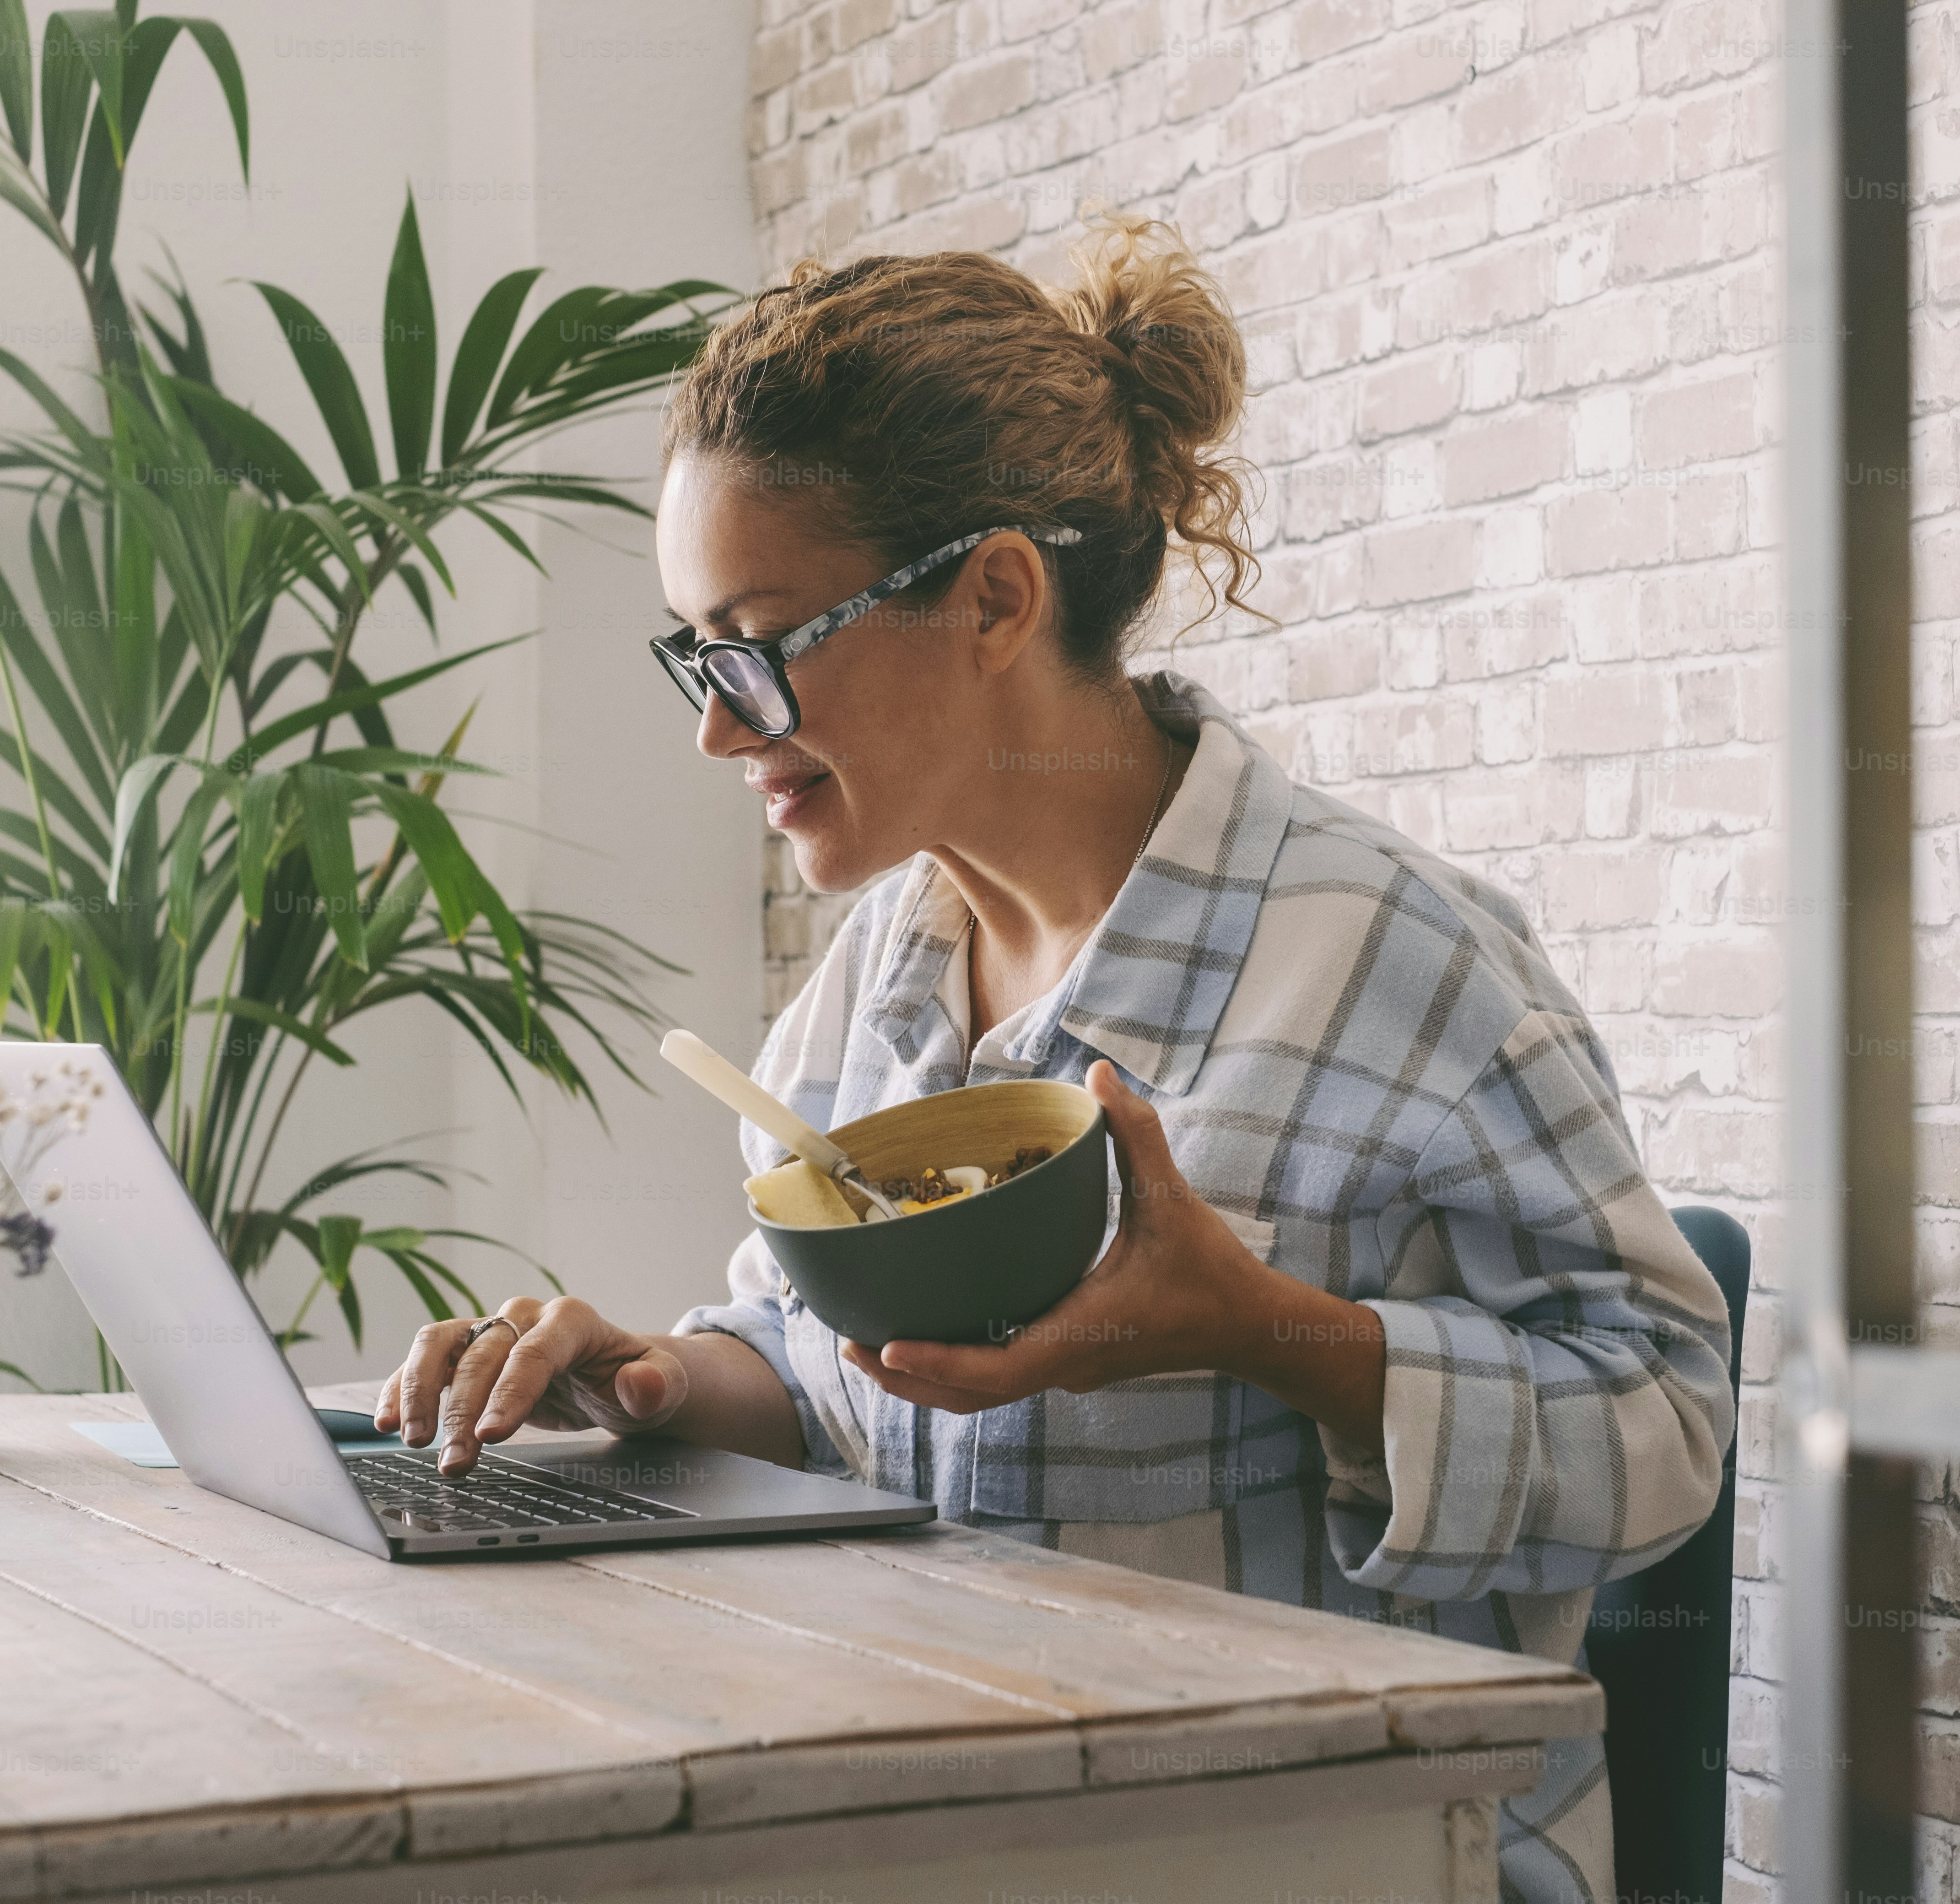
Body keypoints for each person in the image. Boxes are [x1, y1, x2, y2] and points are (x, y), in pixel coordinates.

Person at [377, 206, 1735, 1904]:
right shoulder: (882, 966)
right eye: (692, 653)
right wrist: (653, 1382)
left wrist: (1276, 1337)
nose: (717, 725)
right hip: (960, 1829)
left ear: (994, 597)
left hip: (1344, 1855)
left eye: (753, 648)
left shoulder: (1398, 960)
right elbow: (810, 1364)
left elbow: (1672, 1431)